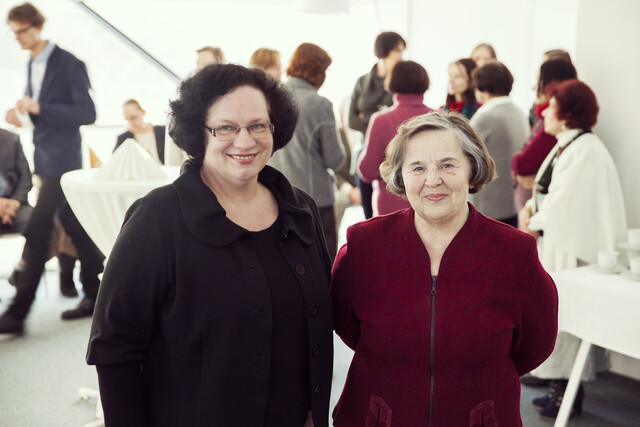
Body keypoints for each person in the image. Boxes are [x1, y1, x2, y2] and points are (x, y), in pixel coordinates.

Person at [87, 64, 334, 426]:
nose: (245, 142)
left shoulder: (299, 210)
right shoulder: (157, 219)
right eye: (226, 128)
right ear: (198, 132)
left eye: (257, 125)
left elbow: (315, 325)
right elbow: (114, 347)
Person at [331, 112, 558, 426]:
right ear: (401, 176)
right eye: (418, 168)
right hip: (380, 415)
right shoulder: (364, 246)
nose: (432, 180)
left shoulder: (514, 253)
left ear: (472, 168)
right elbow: (345, 324)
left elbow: (536, 343)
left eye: (447, 165)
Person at [518, 79, 626, 419]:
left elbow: (565, 205)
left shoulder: (584, 150)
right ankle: (560, 387)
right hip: (557, 245)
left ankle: (566, 391)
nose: (543, 113)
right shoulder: (571, 144)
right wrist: (531, 210)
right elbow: (549, 192)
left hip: (569, 250)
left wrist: (534, 219)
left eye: (551, 107)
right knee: (558, 319)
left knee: (567, 321)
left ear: (567, 113)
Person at [0, 2, 105, 335]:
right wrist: (23, 116)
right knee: (77, 229)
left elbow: (87, 113)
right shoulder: (31, 63)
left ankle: (16, 312)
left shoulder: (69, 63)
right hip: (45, 160)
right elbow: (41, 116)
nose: (17, 37)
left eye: (22, 31)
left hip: (64, 164)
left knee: (38, 230)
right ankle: (98, 295)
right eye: (13, 32)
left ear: (38, 26)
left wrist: (40, 106)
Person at [268, 43, 345, 258]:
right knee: (322, 262)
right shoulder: (320, 104)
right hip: (314, 199)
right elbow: (334, 159)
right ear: (318, 72)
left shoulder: (270, 99)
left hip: (274, 195)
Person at [357, 60, 433, 216]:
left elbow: (367, 171)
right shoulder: (439, 117)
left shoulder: (381, 120)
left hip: (391, 210)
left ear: (392, 82)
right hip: (431, 203)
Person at [349, 31, 406, 219]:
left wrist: (368, 116)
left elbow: (401, 120)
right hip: (366, 155)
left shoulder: (402, 83)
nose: (401, 56)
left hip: (394, 157)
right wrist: (379, 119)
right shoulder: (362, 82)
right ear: (384, 51)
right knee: (368, 217)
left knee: (394, 216)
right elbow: (352, 120)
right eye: (397, 51)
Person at [511, 58, 577, 213]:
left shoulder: (553, 125)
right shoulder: (545, 120)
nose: (534, 87)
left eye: (538, 80)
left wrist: (518, 165)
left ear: (551, 85)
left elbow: (521, 164)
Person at [469, 60, 528, 227]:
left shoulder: (485, 116)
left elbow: (464, 151)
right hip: (512, 199)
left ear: (481, 88)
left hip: (490, 202)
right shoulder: (519, 112)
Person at [0, 128, 32, 235]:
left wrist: (14, 203)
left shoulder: (11, 138)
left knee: (35, 220)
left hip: (14, 203)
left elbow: (25, 179)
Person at [114, 99, 166, 164]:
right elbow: (115, 162)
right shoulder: (123, 138)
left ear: (143, 112)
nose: (131, 123)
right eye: (127, 119)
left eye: (134, 117)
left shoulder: (164, 132)